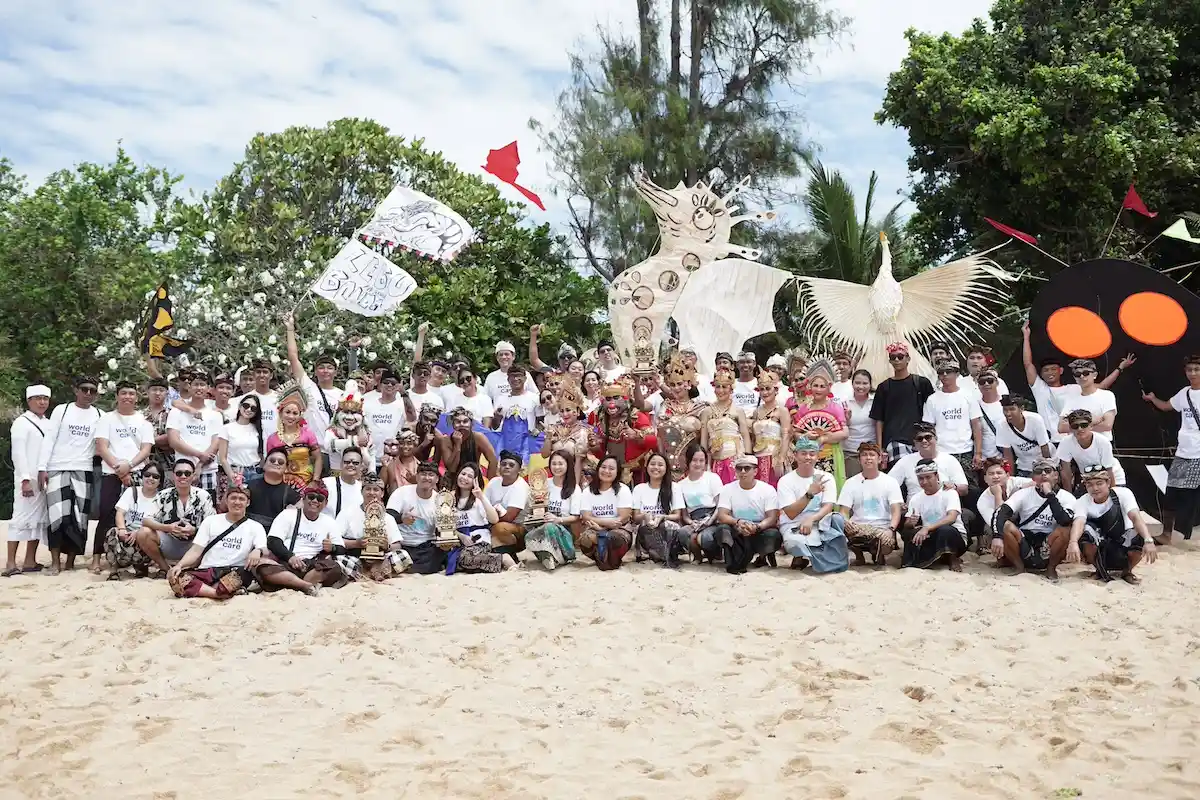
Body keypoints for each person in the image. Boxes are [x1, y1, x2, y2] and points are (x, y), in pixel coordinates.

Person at [1021, 321, 1132, 444]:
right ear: (1041, 374)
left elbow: (1101, 386)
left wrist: (1120, 368)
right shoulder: (1039, 388)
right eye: (1046, 370)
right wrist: (1026, 336)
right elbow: (1028, 364)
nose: (1049, 372)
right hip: (1052, 441)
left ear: (1061, 371)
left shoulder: (1074, 389)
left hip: (1076, 440)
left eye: (1053, 369)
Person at [38, 375, 103, 575]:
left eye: (92, 390)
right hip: (58, 467)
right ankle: (55, 562)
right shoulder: (62, 410)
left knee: (79, 517)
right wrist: (42, 468)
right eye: (84, 389)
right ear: (76, 390)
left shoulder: (99, 414)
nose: (88, 394)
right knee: (57, 516)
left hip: (84, 469)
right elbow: (49, 439)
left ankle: (71, 562)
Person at [166, 482, 267, 600]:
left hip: (235, 570)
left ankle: (207, 590)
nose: (237, 502)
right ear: (226, 501)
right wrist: (180, 565)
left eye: (241, 499)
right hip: (209, 570)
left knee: (237, 579)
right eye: (233, 498)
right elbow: (196, 550)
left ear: (248, 503)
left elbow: (263, 548)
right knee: (179, 578)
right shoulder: (211, 521)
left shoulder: (256, 526)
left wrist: (258, 550)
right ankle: (217, 593)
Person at [93, 381, 155, 573]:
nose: (128, 397)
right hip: (111, 473)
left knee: (136, 515)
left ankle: (136, 556)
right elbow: (102, 447)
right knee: (107, 514)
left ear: (137, 397)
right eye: (124, 393)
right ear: (117, 396)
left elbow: (146, 449)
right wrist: (120, 469)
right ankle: (96, 558)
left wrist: (129, 466)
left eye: (131, 393)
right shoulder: (106, 419)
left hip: (137, 473)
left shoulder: (143, 421)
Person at [1062, 465, 1156, 583]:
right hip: (1100, 543)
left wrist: (1148, 540)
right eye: (1090, 484)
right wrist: (1073, 542)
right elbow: (1078, 522)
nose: (1095, 488)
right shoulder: (1082, 501)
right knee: (1086, 531)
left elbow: (1135, 517)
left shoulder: (1124, 494)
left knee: (1139, 535)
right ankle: (1098, 570)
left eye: (1099, 483)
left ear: (1108, 483)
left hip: (1122, 540)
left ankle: (1127, 571)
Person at [1142, 354, 1200, 543]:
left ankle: (1183, 533)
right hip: (1183, 453)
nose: (1193, 373)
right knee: (1172, 492)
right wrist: (1153, 399)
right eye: (1190, 370)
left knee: (1190, 495)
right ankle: (1168, 533)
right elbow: (1167, 406)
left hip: (1198, 454)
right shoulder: (1185, 393)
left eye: (1197, 369)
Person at [990, 458, 1074, 579]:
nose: (1043, 474)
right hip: (1025, 539)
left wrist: (1050, 495)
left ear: (1056, 475)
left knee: (1066, 530)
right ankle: (1019, 567)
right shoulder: (1023, 493)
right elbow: (1000, 512)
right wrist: (997, 537)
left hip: (1049, 542)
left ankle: (1051, 569)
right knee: (1006, 525)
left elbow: (1065, 520)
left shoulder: (1067, 497)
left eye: (1047, 471)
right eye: (1038, 472)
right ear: (1034, 478)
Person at [258, 481, 345, 592]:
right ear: (303, 498)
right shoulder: (288, 514)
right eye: (311, 497)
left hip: (313, 565)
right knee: (263, 568)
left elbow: (341, 549)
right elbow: (273, 541)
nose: (315, 501)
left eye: (320, 499)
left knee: (335, 568)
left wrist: (332, 548)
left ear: (325, 503)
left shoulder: (329, 522)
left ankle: (295, 583)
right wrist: (290, 557)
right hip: (287, 562)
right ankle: (304, 585)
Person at [135, 457, 216, 575]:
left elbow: (213, 525)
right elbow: (146, 520)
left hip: (195, 544)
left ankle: (189, 569)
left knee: (213, 538)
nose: (183, 476)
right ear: (173, 475)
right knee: (143, 532)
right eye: (179, 473)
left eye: (187, 473)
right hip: (169, 542)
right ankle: (165, 569)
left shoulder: (204, 495)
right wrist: (168, 528)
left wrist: (195, 530)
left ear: (193, 476)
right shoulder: (163, 495)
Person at [778, 437, 847, 573]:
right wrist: (809, 494)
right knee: (794, 544)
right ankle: (801, 556)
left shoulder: (826, 477)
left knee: (837, 518)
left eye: (812, 454)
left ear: (817, 456)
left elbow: (828, 506)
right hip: (794, 524)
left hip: (819, 522)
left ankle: (821, 557)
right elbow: (791, 513)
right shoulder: (786, 481)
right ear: (795, 455)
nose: (808, 457)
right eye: (803, 453)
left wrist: (812, 519)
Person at [284, 313, 345, 458]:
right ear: (316, 371)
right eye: (321, 367)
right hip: (310, 450)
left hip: (336, 452)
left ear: (335, 372)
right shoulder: (308, 386)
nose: (325, 371)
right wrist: (290, 328)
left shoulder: (343, 395)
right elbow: (293, 357)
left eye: (329, 368)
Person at [5, 385, 51, 576]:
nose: (42, 402)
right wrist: (24, 478)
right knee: (20, 518)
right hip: (27, 477)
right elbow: (18, 453)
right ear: (29, 401)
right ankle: (10, 563)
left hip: (43, 477)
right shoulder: (21, 423)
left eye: (45, 399)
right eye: (38, 398)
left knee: (39, 519)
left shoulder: (48, 423)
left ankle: (30, 560)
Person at [334, 472, 413, 581]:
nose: (371, 493)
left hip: (381, 559)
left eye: (376, 490)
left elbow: (397, 545)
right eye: (368, 489)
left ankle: (375, 570)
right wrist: (356, 543)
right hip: (356, 558)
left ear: (382, 493)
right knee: (338, 560)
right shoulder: (347, 512)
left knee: (403, 555)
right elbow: (336, 540)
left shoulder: (388, 517)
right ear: (361, 491)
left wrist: (387, 546)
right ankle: (369, 573)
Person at [837, 442, 903, 565]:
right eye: (864, 455)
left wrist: (891, 529)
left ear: (879, 459)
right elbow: (843, 511)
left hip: (882, 527)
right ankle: (859, 556)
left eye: (872, 455)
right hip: (857, 527)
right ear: (859, 459)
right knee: (836, 520)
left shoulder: (890, 482)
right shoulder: (850, 482)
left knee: (885, 544)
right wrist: (846, 522)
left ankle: (878, 555)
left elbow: (896, 510)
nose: (868, 458)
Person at [869, 342, 935, 467]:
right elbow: (879, 420)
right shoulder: (884, 387)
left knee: (922, 474)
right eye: (893, 357)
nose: (897, 360)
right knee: (900, 475)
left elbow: (933, 412)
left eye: (900, 357)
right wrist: (879, 448)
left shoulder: (922, 383)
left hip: (920, 438)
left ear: (908, 359)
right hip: (894, 440)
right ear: (890, 361)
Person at [713, 454, 782, 573]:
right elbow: (722, 515)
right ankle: (733, 561)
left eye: (747, 468)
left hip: (759, 529)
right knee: (722, 530)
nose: (743, 472)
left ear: (755, 471)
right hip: (737, 528)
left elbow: (772, 517)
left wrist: (757, 527)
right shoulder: (727, 489)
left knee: (773, 535)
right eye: (739, 468)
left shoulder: (767, 489)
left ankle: (761, 557)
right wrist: (738, 522)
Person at [447, 463, 520, 574]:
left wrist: (481, 497)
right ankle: (496, 560)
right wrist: (461, 536)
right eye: (463, 474)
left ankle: (504, 558)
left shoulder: (478, 498)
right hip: (458, 541)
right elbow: (445, 524)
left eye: (470, 476)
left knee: (464, 558)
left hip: (479, 542)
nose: (465, 478)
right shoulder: (449, 497)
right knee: (454, 560)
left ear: (475, 481)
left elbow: (494, 519)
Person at [790, 358, 848, 490]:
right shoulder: (804, 409)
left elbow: (845, 433)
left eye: (822, 386)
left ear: (829, 388)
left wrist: (824, 438)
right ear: (810, 386)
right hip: (808, 458)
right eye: (815, 385)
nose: (819, 389)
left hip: (829, 455)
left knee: (829, 488)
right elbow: (796, 432)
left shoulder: (835, 408)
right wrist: (805, 436)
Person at [901, 459, 968, 571]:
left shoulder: (949, 493)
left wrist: (927, 528)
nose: (925, 482)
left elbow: (951, 518)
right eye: (921, 478)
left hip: (954, 536)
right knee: (909, 532)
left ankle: (952, 559)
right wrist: (910, 523)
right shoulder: (916, 498)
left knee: (945, 530)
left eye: (928, 477)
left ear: (936, 476)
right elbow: (907, 524)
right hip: (930, 535)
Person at [922, 360, 983, 481]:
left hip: (965, 451)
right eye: (941, 372)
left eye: (948, 372)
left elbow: (976, 425)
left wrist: (978, 453)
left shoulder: (968, 395)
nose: (944, 375)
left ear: (957, 374)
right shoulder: (932, 399)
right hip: (941, 452)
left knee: (969, 487)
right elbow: (929, 428)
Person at [166, 371, 225, 495]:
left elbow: (216, 442)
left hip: (208, 470)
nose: (199, 388)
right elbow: (174, 441)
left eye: (202, 385)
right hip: (182, 470)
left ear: (208, 388)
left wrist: (200, 465)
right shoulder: (176, 412)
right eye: (195, 384)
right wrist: (199, 454)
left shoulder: (215, 414)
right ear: (189, 387)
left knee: (208, 504)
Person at [590, 377, 658, 485]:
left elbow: (654, 441)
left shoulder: (636, 416)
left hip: (637, 471)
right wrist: (595, 445)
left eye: (616, 398)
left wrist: (637, 435)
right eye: (608, 399)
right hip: (610, 471)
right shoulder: (597, 417)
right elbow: (597, 450)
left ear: (626, 399)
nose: (612, 403)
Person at [103, 462, 164, 580]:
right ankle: (113, 571)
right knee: (112, 532)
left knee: (148, 537)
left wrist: (138, 533)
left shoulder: (162, 498)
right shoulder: (132, 491)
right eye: (147, 475)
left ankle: (142, 567)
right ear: (142, 476)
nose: (151, 478)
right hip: (127, 531)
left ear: (160, 481)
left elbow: (161, 524)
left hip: (146, 535)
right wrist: (122, 529)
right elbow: (120, 513)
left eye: (155, 476)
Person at [524, 450, 581, 571]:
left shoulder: (574, 488)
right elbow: (533, 507)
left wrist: (558, 520)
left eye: (561, 464)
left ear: (568, 465)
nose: (557, 467)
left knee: (549, 527)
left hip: (563, 530)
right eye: (554, 464)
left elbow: (576, 517)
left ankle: (559, 556)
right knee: (530, 534)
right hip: (540, 527)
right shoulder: (543, 484)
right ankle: (550, 558)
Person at [386, 461, 445, 574]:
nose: (426, 478)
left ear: (437, 479)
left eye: (431, 475)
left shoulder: (440, 500)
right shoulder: (401, 492)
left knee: (441, 554)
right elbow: (387, 516)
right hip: (403, 544)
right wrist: (402, 518)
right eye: (423, 474)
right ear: (417, 477)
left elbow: (441, 530)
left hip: (427, 546)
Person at [578, 454, 634, 570]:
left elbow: (623, 517)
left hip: (619, 529)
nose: (606, 471)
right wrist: (605, 525)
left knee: (614, 538)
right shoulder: (588, 491)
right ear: (598, 469)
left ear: (617, 472)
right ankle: (604, 559)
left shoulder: (623, 489)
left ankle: (607, 561)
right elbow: (586, 516)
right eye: (603, 467)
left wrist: (604, 527)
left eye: (611, 468)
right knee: (585, 540)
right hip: (595, 528)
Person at [657, 352, 707, 481]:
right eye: (672, 385)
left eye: (679, 384)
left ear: (688, 384)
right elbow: (660, 438)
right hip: (669, 467)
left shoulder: (699, 408)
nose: (676, 388)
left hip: (693, 468)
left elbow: (704, 442)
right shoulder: (665, 406)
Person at [631, 452, 685, 564]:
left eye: (660, 465)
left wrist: (662, 517)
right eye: (652, 464)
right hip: (647, 530)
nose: (656, 467)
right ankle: (663, 554)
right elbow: (635, 518)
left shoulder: (674, 487)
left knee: (668, 526)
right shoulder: (639, 489)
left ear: (666, 468)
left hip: (666, 530)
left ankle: (663, 554)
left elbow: (677, 516)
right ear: (647, 466)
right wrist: (645, 516)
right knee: (646, 528)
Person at [265, 381, 322, 489]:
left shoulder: (308, 434)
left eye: (295, 413)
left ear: (300, 415)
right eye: (287, 412)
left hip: (306, 485)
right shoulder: (273, 439)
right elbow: (269, 465)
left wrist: (315, 481)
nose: (291, 416)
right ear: (280, 413)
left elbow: (318, 458)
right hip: (280, 486)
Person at [700, 367, 751, 484]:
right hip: (715, 458)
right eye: (718, 386)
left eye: (724, 387)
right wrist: (703, 461)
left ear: (731, 389)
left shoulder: (738, 411)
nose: (720, 390)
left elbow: (745, 435)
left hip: (735, 456)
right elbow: (704, 439)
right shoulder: (707, 411)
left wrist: (748, 459)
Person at [1056, 410, 1126, 493]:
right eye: (1075, 426)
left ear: (1091, 426)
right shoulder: (1065, 442)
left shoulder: (1103, 442)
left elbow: (1109, 471)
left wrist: (1112, 494)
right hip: (1088, 480)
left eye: (1084, 425)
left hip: (1114, 477)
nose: (1080, 429)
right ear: (1070, 428)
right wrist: (1069, 496)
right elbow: (1066, 472)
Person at [676, 445, 725, 563]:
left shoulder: (712, 478)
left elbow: (720, 505)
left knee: (705, 538)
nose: (698, 464)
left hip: (712, 519)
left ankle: (714, 553)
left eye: (701, 460)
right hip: (695, 520)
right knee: (682, 533)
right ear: (688, 461)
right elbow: (685, 515)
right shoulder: (681, 485)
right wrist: (691, 523)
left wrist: (710, 521)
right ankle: (697, 554)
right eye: (694, 460)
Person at [218, 393, 265, 501]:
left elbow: (260, 453)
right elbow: (222, 458)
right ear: (240, 406)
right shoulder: (227, 428)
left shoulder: (257, 428)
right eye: (246, 405)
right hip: (235, 472)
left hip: (255, 472)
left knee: (254, 504)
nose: (248, 410)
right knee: (234, 503)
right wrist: (232, 476)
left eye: (253, 408)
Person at [1056, 359, 1118, 441]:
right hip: (1076, 444)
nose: (1082, 376)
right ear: (1074, 377)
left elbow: (1107, 425)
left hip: (1100, 443)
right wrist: (1093, 421)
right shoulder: (1070, 398)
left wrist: (1075, 425)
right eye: (1077, 374)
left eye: (1086, 373)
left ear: (1095, 375)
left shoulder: (1107, 395)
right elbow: (1061, 427)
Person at [483, 450, 530, 557]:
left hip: (519, 529)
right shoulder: (494, 482)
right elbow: (482, 506)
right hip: (493, 521)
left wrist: (490, 516)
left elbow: (509, 518)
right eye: (503, 464)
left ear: (519, 469)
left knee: (499, 528)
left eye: (511, 465)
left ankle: (510, 556)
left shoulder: (520, 487)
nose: (507, 467)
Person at [491, 365, 540, 462]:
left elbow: (540, 420)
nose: (515, 379)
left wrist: (536, 432)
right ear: (508, 379)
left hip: (527, 444)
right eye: (512, 376)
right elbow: (495, 426)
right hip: (505, 444)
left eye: (518, 375)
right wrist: (497, 417)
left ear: (525, 378)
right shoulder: (501, 399)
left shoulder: (534, 398)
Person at [995, 395, 1052, 477]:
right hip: (1024, 466)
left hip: (1041, 462)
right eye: (1005, 410)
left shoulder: (1035, 419)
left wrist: (1046, 470)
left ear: (1021, 409)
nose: (1008, 413)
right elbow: (1007, 454)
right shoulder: (1001, 425)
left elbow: (1044, 447)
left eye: (1012, 409)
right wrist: (1010, 477)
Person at [751, 371, 791, 487]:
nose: (765, 392)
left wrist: (781, 458)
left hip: (774, 456)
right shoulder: (756, 412)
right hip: (758, 456)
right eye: (761, 389)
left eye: (768, 388)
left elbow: (786, 435)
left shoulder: (781, 410)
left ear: (776, 390)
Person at [246, 447, 302, 527]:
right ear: (264, 464)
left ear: (286, 468)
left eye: (281, 462)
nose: (276, 463)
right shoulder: (250, 486)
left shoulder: (290, 493)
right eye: (272, 460)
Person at [975, 457, 1031, 536]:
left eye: (999, 473)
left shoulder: (1015, 482)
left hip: (1025, 520)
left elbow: (1037, 483)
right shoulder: (982, 501)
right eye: (991, 474)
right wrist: (998, 495)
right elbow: (999, 523)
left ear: (1007, 475)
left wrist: (1020, 490)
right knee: (990, 529)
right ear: (985, 479)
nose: (995, 476)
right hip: (1005, 528)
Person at [362, 370, 406, 464]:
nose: (389, 385)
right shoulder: (367, 403)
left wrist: (404, 393)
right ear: (381, 384)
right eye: (386, 382)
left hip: (392, 458)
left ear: (398, 386)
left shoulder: (403, 405)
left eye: (393, 383)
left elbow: (412, 419)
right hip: (368, 458)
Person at [843, 369, 875, 477]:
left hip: (871, 450)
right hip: (850, 451)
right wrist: (846, 419)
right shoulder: (845, 402)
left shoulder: (875, 401)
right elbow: (841, 427)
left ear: (870, 384)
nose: (861, 387)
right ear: (852, 384)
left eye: (865, 383)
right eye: (857, 383)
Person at [974, 367, 1006, 464]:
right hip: (985, 459)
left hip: (1005, 456)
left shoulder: (1006, 403)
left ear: (997, 383)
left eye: (990, 381)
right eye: (982, 382)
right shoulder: (974, 406)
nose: (986, 384)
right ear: (978, 385)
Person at [323, 446, 365, 518]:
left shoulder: (363, 488)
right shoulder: (326, 483)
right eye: (347, 462)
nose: (351, 465)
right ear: (341, 464)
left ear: (361, 466)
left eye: (355, 463)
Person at [143, 376, 174, 473]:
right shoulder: (139, 415)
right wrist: (160, 441)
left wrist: (147, 442)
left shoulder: (173, 414)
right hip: (144, 463)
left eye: (161, 390)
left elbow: (172, 437)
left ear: (167, 393)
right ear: (148, 392)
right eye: (154, 390)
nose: (157, 393)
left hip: (169, 464)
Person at [246, 358, 280, 440]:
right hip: (252, 443)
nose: (261, 375)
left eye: (265, 372)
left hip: (274, 443)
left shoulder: (279, 398)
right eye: (258, 372)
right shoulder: (246, 399)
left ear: (271, 375)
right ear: (253, 374)